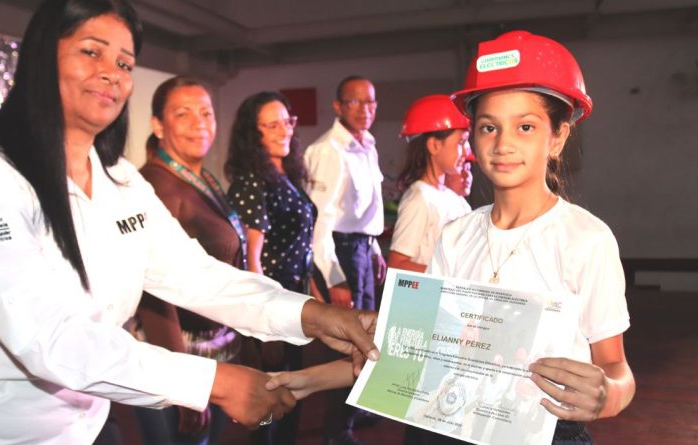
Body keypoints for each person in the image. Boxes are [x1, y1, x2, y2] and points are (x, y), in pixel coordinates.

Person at [0, 1, 379, 444]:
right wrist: (212, 382)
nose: (111, 73)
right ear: (43, 58)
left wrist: (312, 315)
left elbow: (197, 276)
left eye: (125, 63)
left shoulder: (120, 179)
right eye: (92, 52)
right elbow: (46, 338)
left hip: (81, 423)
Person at [269, 30, 636, 445]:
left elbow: (616, 368)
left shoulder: (586, 240)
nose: (503, 144)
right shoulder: (457, 236)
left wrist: (607, 396)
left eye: (526, 127)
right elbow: (417, 353)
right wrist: (305, 380)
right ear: (473, 136)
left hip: (544, 431)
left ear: (558, 137)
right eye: (489, 127)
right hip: (451, 422)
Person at [133, 76, 245, 445]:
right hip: (175, 358)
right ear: (158, 125)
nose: (199, 123)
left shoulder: (203, 178)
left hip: (214, 349)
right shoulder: (154, 186)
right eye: (183, 114)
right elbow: (153, 294)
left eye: (206, 113)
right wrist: (184, 385)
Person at [224, 91, 317, 445]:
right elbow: (251, 259)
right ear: (254, 133)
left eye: (287, 122)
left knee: (292, 390)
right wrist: (264, 322)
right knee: (268, 394)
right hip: (272, 303)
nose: (284, 130)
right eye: (272, 125)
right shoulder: (253, 181)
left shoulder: (285, 175)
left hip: (294, 300)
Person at [304, 75, 386, 445]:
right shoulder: (328, 150)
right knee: (348, 340)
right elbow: (320, 222)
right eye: (355, 102)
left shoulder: (367, 143)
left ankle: (355, 409)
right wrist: (334, 276)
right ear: (338, 106)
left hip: (363, 248)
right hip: (340, 252)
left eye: (370, 102)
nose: (364, 109)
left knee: (368, 336)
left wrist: (375, 248)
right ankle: (337, 430)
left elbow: (370, 207)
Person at [387, 94, 473, 273]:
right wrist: (448, 276)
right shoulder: (419, 199)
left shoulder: (453, 198)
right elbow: (397, 265)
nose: (466, 152)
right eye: (461, 142)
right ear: (434, 145)